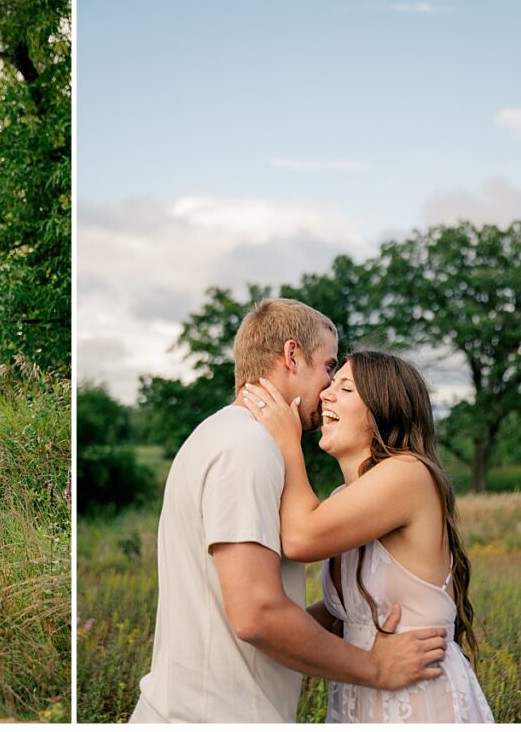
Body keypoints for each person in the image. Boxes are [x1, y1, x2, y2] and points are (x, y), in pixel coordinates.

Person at [129, 299, 448, 724]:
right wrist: (375, 666)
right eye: (329, 366)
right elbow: (257, 613)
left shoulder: (219, 433)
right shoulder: (249, 447)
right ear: (292, 355)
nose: (329, 385)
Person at [240, 350, 494, 722]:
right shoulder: (344, 500)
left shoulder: (408, 473)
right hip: (360, 700)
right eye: (331, 383)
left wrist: (287, 443)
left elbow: (300, 539)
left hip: (418, 699)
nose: (326, 392)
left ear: (381, 410)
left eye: (345, 388)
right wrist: (262, 629)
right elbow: (341, 614)